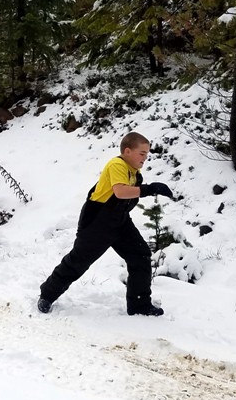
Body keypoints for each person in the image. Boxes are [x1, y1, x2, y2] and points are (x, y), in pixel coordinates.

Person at [37, 132, 173, 316]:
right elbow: (120, 192)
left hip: (120, 222)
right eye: (142, 154)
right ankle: (47, 294)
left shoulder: (133, 172)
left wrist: (146, 188)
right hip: (97, 224)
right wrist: (150, 189)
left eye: (147, 154)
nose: (145, 158)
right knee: (79, 261)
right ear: (127, 151)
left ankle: (139, 305)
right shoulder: (117, 164)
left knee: (140, 255)